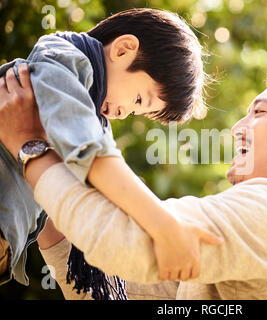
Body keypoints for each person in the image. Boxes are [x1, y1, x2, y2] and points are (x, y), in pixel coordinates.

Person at [0, 62, 267, 300]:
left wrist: (29, 148)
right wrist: (50, 207)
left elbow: (126, 242)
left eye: (260, 112)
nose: (238, 127)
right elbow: (111, 293)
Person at [0, 8, 223, 299]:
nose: (123, 113)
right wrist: (167, 226)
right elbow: (92, 154)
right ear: (123, 49)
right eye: (139, 99)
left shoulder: (92, 110)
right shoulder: (62, 57)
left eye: (136, 110)